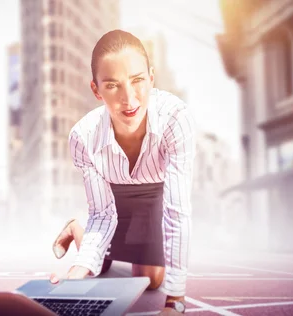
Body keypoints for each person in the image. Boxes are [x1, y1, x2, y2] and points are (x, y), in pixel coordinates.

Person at [49, 29, 195, 315]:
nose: (129, 99)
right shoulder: (82, 136)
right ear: (96, 89)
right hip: (113, 197)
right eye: (113, 85)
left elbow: (176, 211)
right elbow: (103, 213)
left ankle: (88, 237)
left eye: (138, 80)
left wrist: (175, 300)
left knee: (152, 280)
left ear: (152, 78)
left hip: (152, 197)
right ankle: (76, 228)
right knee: (97, 265)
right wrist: (78, 272)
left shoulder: (176, 119)